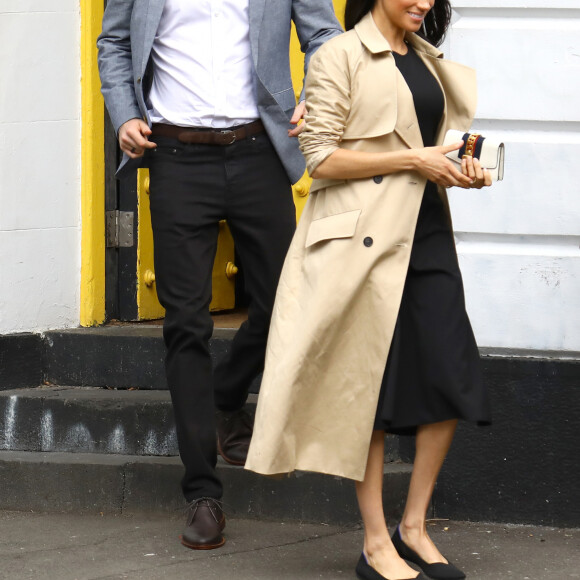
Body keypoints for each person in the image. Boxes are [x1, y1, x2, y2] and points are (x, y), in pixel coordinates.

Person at [245, 0, 492, 578]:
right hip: (360, 243)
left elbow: (433, 148)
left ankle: (414, 525)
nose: (425, 3)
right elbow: (319, 157)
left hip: (424, 234)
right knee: (367, 389)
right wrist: (415, 160)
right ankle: (376, 541)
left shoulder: (426, 59)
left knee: (452, 373)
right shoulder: (338, 55)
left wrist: (462, 166)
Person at [97, 0, 342, 551]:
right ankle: (203, 493)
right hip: (176, 157)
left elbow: (324, 33)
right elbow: (113, 43)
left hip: (259, 150)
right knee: (185, 324)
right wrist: (124, 113)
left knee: (290, 300)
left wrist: (316, 94)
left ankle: (227, 393)